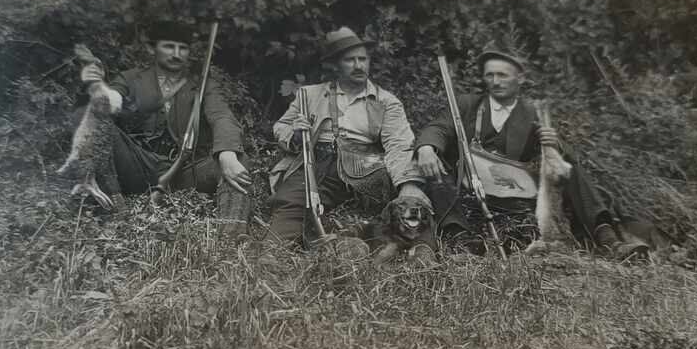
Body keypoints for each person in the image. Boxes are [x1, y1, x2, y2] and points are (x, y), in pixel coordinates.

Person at [415, 39, 646, 258]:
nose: (496, 81)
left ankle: (607, 238)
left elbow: (562, 161)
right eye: (490, 75)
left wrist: (554, 145)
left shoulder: (532, 113)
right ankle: (460, 240)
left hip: (516, 191)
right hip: (469, 186)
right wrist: (427, 146)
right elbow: (439, 128)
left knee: (571, 169)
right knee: (435, 171)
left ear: (520, 79)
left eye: (503, 75)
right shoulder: (467, 104)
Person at [59, 20, 253, 232]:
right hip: (137, 166)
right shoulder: (131, 78)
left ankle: (232, 236)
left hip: (185, 172)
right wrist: (95, 85)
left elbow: (222, 115)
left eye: (183, 48)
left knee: (238, 159)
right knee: (89, 117)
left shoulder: (202, 84)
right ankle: (115, 209)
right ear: (152, 48)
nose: (177, 54)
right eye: (169, 46)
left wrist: (227, 153)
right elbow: (109, 103)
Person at [267, 27, 430, 245]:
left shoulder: (386, 101)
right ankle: (272, 251)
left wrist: (407, 182)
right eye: (350, 60)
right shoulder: (310, 94)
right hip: (316, 161)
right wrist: (295, 134)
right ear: (335, 65)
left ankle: (420, 250)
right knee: (292, 200)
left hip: (366, 166)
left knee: (410, 201)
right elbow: (281, 126)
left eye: (362, 59)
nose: (358, 66)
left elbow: (399, 145)